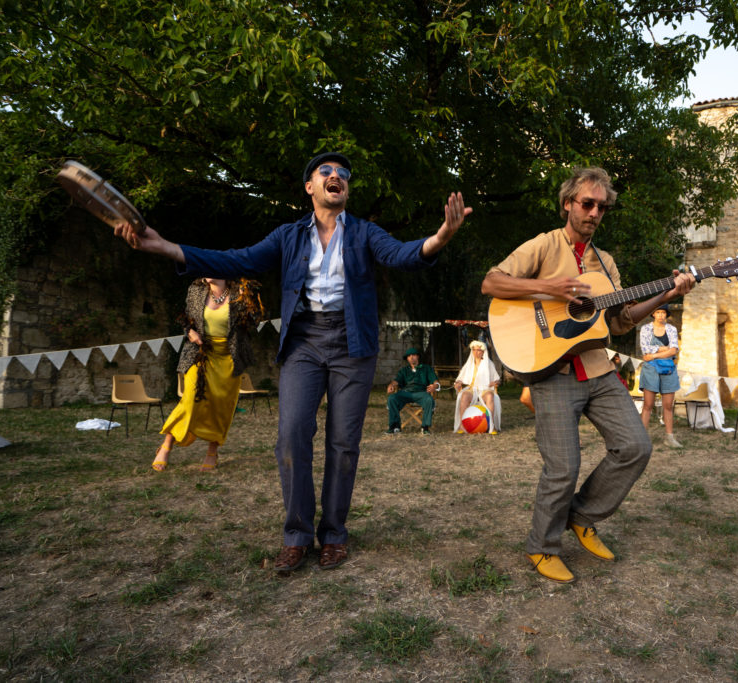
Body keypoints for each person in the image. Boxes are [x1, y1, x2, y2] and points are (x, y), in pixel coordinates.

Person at [115, 151, 471, 572]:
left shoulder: (365, 233)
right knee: (290, 437)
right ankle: (297, 536)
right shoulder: (288, 235)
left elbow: (402, 254)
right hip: (303, 341)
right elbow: (236, 259)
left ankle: (334, 535)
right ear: (310, 187)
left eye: (343, 174)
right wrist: (162, 246)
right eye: (326, 172)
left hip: (353, 344)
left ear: (346, 190)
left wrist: (443, 235)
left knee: (343, 445)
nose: (336, 176)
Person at [481, 166, 695, 583]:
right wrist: (550, 291)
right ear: (568, 204)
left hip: (597, 369)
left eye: (602, 207)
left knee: (636, 446)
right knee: (563, 465)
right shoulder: (544, 246)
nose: (595, 212)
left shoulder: (605, 263)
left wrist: (666, 294)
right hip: (552, 371)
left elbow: (618, 321)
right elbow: (492, 282)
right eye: (587, 203)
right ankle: (542, 547)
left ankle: (581, 516)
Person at [152, 277, 263, 472]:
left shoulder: (240, 292)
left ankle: (212, 450)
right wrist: (190, 333)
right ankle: (167, 444)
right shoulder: (195, 290)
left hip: (229, 357)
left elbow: (254, 322)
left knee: (221, 406)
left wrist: (251, 302)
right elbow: (185, 319)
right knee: (190, 399)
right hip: (201, 354)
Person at [638, 305, 682, 448]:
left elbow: (674, 350)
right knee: (648, 404)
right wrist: (664, 349)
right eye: (658, 312)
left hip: (668, 368)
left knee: (668, 405)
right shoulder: (645, 329)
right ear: (653, 314)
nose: (661, 315)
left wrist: (654, 355)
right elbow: (645, 349)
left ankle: (669, 438)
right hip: (650, 369)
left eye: (663, 312)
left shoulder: (671, 329)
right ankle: (643, 439)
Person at [386, 348, 440, 434]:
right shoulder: (404, 370)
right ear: (407, 358)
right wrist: (391, 385)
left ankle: (425, 427)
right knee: (392, 398)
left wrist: (434, 386)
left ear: (417, 356)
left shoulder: (426, 368)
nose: (411, 357)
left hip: (421, 393)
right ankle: (395, 427)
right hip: (406, 393)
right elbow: (397, 380)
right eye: (409, 356)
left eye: (413, 355)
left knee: (429, 399)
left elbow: (435, 382)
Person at [452, 340, 502, 433]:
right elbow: (460, 378)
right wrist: (458, 382)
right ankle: (462, 426)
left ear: (483, 352)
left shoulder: (489, 364)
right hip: (472, 388)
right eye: (474, 350)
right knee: (464, 396)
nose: (476, 352)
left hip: (485, 389)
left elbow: (498, 380)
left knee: (490, 396)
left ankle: (490, 425)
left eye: (478, 350)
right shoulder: (469, 364)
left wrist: (495, 383)